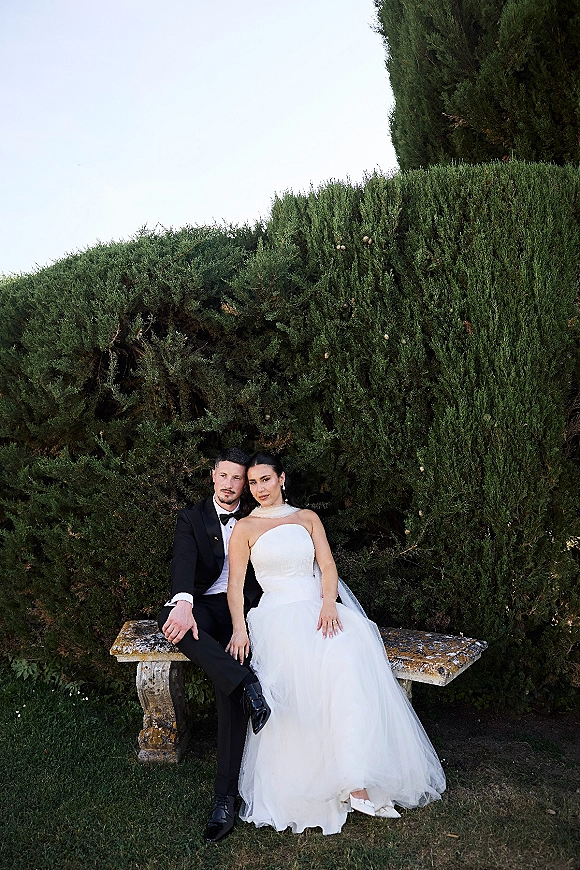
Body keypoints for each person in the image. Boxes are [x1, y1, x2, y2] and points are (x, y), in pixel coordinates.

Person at [226, 451, 446, 835]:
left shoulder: (307, 518)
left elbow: (328, 567)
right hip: (275, 615)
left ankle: (355, 779)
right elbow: (235, 586)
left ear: (282, 479)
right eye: (254, 482)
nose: (259, 488)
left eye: (266, 479)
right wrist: (239, 629)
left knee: (346, 662)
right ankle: (320, 783)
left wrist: (328, 604)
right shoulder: (245, 528)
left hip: (317, 608)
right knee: (303, 677)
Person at [157, 447, 271, 844]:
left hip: (244, 609)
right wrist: (184, 602)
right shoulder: (192, 517)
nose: (229, 484)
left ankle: (224, 798)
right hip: (204, 603)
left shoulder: (258, 517)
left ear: (245, 483)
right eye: (223, 476)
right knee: (170, 618)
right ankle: (244, 682)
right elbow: (183, 562)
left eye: (237, 478)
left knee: (228, 677)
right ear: (212, 477)